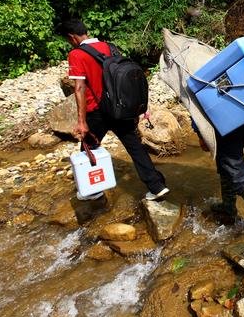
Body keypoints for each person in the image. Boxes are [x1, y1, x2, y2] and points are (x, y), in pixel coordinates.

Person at [61, 19, 169, 201]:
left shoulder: (77, 55)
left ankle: (93, 190)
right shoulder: (109, 47)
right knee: (136, 148)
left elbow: (79, 88)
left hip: (97, 113)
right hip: (120, 108)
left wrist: (81, 121)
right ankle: (157, 187)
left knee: (88, 148)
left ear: (72, 37)